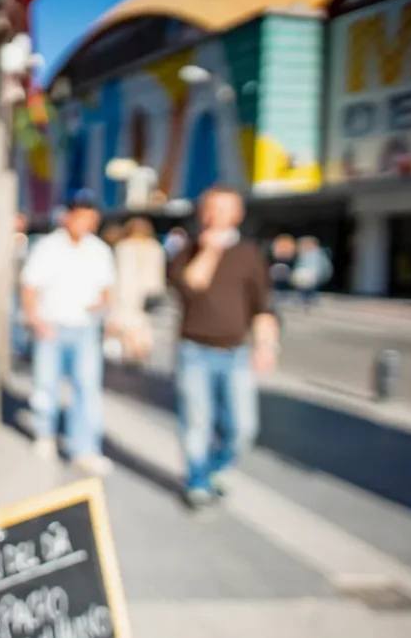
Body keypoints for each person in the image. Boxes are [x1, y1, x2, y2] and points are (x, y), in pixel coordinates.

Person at [167, 186, 279, 509]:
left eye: (224, 209)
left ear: (237, 214)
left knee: (243, 428)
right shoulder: (187, 251)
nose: (217, 215)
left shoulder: (249, 255)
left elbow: (263, 306)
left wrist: (266, 345)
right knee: (196, 423)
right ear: (203, 213)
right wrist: (210, 251)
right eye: (211, 208)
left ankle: (214, 469)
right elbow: (191, 286)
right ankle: (197, 482)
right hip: (194, 351)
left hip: (235, 353)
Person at [20, 200, 117, 477]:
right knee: (46, 383)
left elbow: (108, 289)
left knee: (86, 388)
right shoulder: (48, 247)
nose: (85, 224)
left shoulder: (99, 251)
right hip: (51, 324)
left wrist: (102, 310)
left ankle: (84, 448)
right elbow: (29, 286)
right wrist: (35, 319)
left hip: (85, 326)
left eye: (90, 219)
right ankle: (45, 434)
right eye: (80, 218)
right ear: (69, 218)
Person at [110, 217, 166, 365]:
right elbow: (159, 276)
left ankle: (132, 360)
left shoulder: (123, 247)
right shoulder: (155, 247)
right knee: (143, 329)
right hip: (148, 296)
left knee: (128, 330)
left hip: (126, 297)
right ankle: (140, 357)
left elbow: (119, 276)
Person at [291, 236, 332, 310]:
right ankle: (305, 300)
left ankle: (309, 300)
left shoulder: (318, 255)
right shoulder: (303, 255)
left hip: (312, 276)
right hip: (305, 277)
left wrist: (323, 276)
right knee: (304, 288)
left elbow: (324, 267)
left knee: (309, 289)